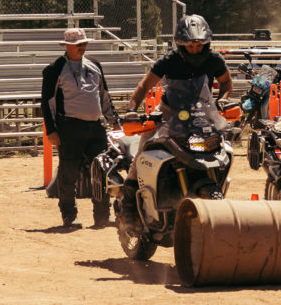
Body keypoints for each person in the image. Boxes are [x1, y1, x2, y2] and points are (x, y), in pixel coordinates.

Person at [118, 14, 233, 224]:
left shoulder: (214, 59)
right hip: (170, 113)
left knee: (223, 150)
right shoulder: (169, 60)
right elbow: (144, 86)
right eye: (190, 46)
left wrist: (222, 102)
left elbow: (226, 84)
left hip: (202, 114)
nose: (195, 50)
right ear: (181, 45)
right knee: (143, 152)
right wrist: (131, 110)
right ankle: (128, 208)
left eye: (199, 45)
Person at [41, 27, 120, 229]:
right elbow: (47, 102)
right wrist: (51, 130)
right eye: (77, 45)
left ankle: (102, 215)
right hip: (69, 127)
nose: (82, 47)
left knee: (102, 170)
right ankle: (69, 215)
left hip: (95, 127)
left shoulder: (94, 65)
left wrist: (114, 121)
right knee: (68, 172)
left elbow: (104, 96)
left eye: (84, 44)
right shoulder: (54, 69)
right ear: (67, 46)